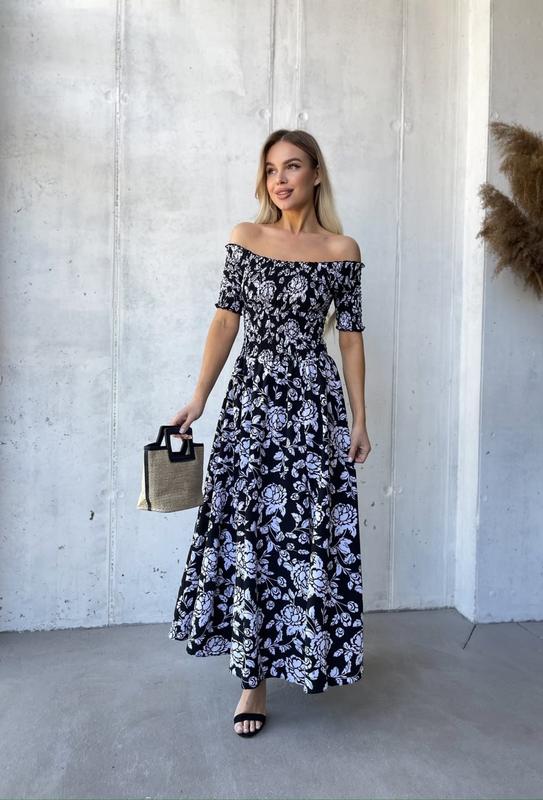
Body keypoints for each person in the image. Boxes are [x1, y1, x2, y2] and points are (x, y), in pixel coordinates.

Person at [168, 128, 371, 737]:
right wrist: (199, 398)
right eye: (271, 169)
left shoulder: (341, 249)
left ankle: (305, 655)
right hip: (253, 405)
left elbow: (351, 340)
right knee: (251, 533)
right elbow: (224, 322)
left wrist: (361, 418)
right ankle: (251, 681)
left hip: (313, 408)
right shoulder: (246, 238)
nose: (280, 179)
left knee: (306, 535)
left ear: (316, 173)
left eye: (292, 166)